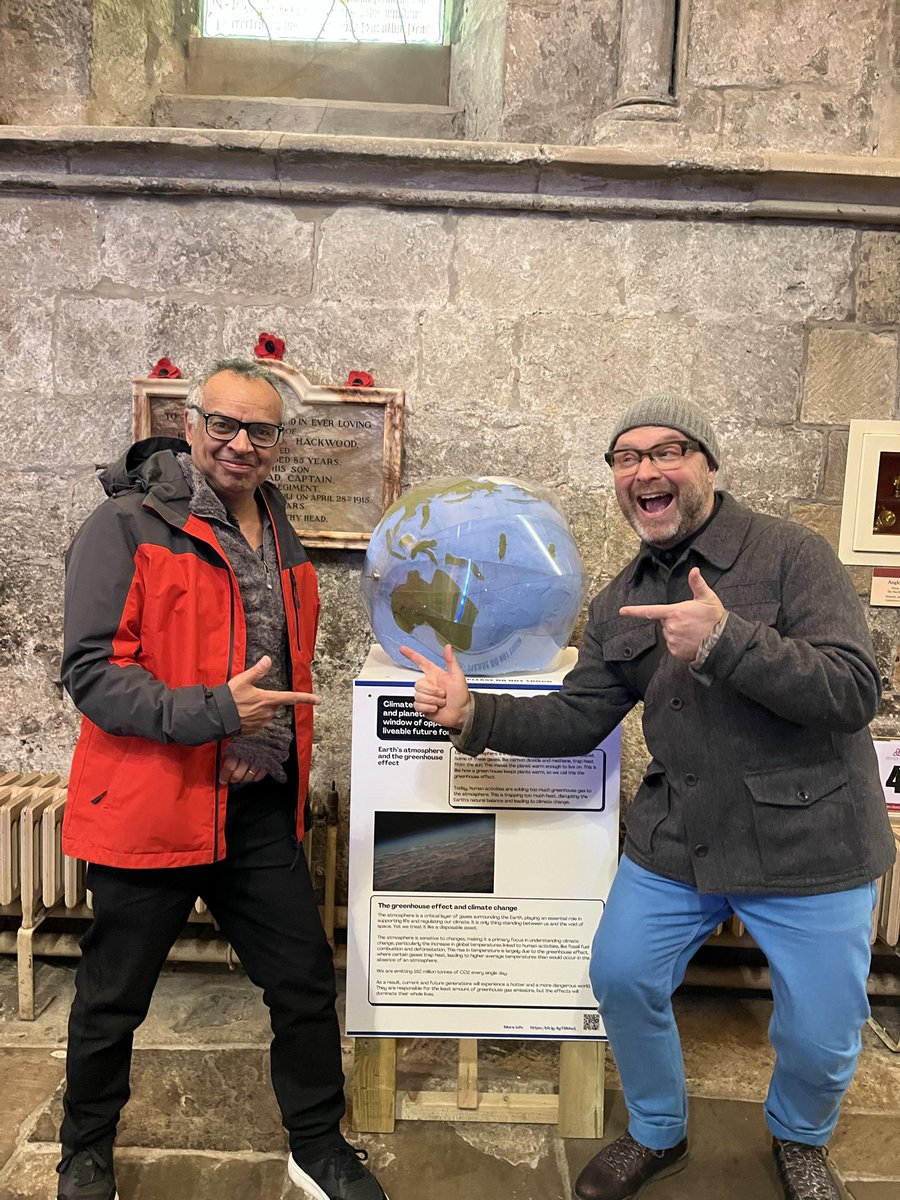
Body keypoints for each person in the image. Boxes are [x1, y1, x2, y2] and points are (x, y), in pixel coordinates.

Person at [401, 395, 896, 1200]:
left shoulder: (791, 555)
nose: (645, 470)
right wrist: (474, 715)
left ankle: (801, 1139)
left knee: (821, 1031)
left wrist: (728, 640)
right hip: (680, 833)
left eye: (668, 451)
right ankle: (657, 1132)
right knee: (623, 974)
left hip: (813, 839)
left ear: (707, 465)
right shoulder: (618, 601)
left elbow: (852, 691)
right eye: (626, 457)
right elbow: (579, 716)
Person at [56, 359, 388, 1200]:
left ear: (279, 441)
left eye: (262, 429)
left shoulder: (278, 526)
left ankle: (317, 1145)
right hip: (152, 803)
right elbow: (92, 673)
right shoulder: (124, 527)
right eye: (226, 424)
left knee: (303, 983)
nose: (242, 443)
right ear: (191, 424)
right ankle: (84, 1153)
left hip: (256, 809)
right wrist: (214, 713)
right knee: (112, 999)